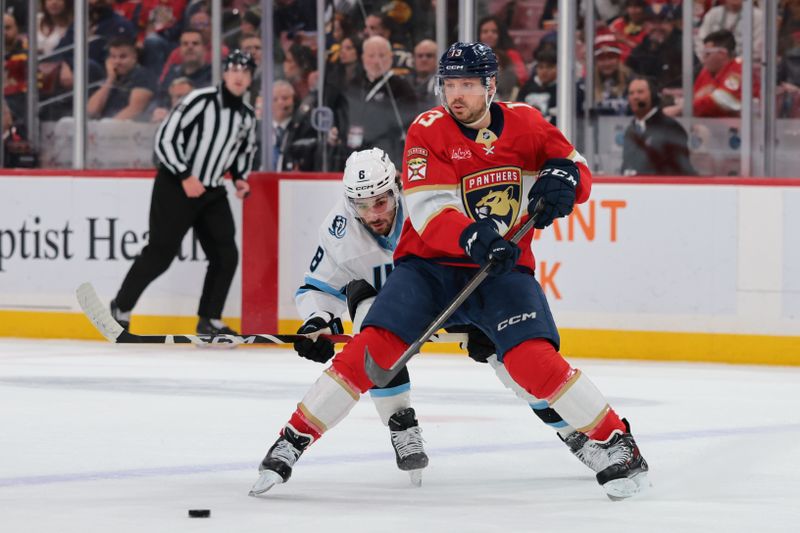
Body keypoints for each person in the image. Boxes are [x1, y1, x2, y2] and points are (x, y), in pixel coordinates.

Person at [249, 42, 650, 501]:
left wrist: (568, 182)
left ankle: (616, 442)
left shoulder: (527, 123)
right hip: (429, 269)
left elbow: (575, 167)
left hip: (502, 271)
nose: (455, 95)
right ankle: (292, 440)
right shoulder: (427, 129)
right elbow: (428, 208)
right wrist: (474, 238)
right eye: (449, 84)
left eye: (466, 85)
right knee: (373, 351)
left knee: (529, 361)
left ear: (490, 86)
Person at [291, 146, 611, 485]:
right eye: (362, 205)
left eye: (381, 202)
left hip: (458, 296)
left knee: (515, 363)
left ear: (397, 186)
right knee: (370, 320)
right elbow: (319, 288)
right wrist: (317, 320)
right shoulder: (339, 229)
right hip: (397, 309)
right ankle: (401, 424)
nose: (373, 215)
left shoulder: (429, 203)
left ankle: (571, 432)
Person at [109, 50, 257, 336]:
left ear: (250, 79)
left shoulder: (247, 116)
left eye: (246, 71)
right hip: (176, 185)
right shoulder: (199, 101)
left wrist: (240, 178)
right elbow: (165, 137)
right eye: (234, 70)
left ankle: (209, 319)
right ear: (225, 73)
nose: (239, 76)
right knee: (160, 253)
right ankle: (121, 307)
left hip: (212, 190)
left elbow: (244, 151)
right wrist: (185, 174)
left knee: (226, 256)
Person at [621, 77, 696, 176]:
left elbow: (680, 169)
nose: (635, 97)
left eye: (640, 92)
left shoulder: (671, 128)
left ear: (653, 95)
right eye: (631, 93)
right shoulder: (630, 130)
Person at [86, 35, 157, 121]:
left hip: (126, 128)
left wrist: (108, 127)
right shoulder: (110, 77)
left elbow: (135, 109)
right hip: (104, 126)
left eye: (123, 57)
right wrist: (110, 80)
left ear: (134, 57)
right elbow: (90, 111)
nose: (117, 61)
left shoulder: (143, 75)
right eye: (113, 57)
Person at [692, 29, 758, 117]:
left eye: (707, 54)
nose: (703, 58)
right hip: (709, 124)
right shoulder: (706, 71)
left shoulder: (740, 69)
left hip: (740, 127)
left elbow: (723, 100)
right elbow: (694, 97)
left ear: (722, 53)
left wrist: (683, 107)